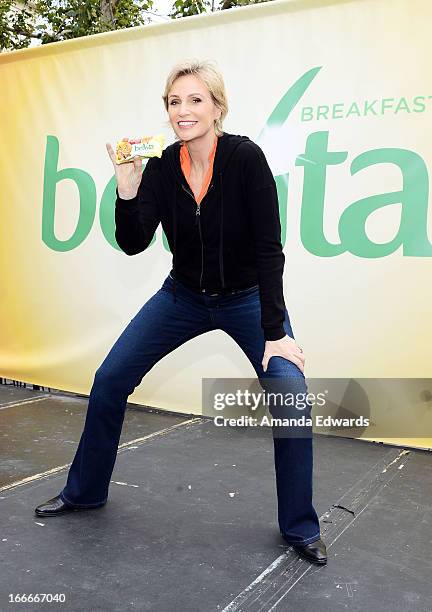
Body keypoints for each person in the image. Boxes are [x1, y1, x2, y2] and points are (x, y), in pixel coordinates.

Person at [34, 59, 327, 565]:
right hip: (182, 296)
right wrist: (127, 186)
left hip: (248, 299)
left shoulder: (245, 158)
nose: (184, 110)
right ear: (167, 111)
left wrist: (275, 332)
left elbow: (268, 249)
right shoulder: (165, 165)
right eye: (175, 101)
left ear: (217, 107)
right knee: (109, 379)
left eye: (195, 100)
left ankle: (300, 527)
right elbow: (133, 241)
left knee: (291, 393)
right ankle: (85, 492)